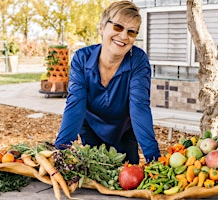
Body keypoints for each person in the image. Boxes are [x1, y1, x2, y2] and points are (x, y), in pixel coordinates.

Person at [54, 0, 161, 164]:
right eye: (118, 27)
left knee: (128, 180)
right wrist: (60, 151)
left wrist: (154, 159)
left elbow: (139, 107)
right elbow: (75, 103)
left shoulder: (138, 61)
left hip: (124, 132)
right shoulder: (82, 59)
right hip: (90, 128)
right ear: (102, 28)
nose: (124, 36)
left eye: (131, 32)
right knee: (97, 173)